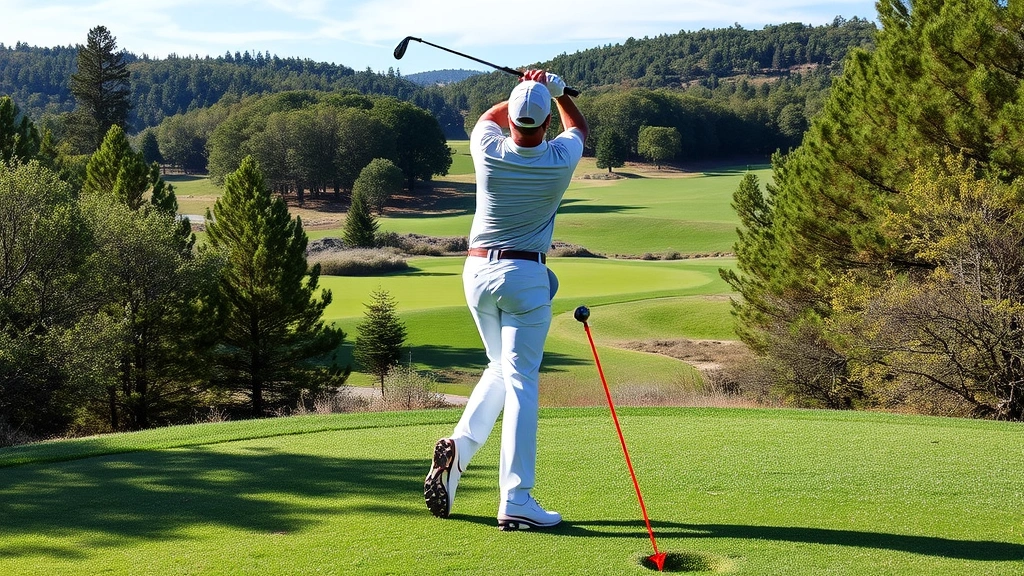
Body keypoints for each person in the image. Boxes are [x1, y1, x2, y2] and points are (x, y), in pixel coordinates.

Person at [424, 69, 588, 530]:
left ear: (511, 121)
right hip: (525, 276)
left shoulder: (487, 147)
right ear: (544, 127)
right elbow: (578, 128)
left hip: (476, 272)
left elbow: (487, 117)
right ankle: (516, 497)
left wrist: (525, 86)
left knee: (500, 367)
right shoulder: (558, 157)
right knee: (521, 382)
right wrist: (556, 92)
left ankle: (459, 452)